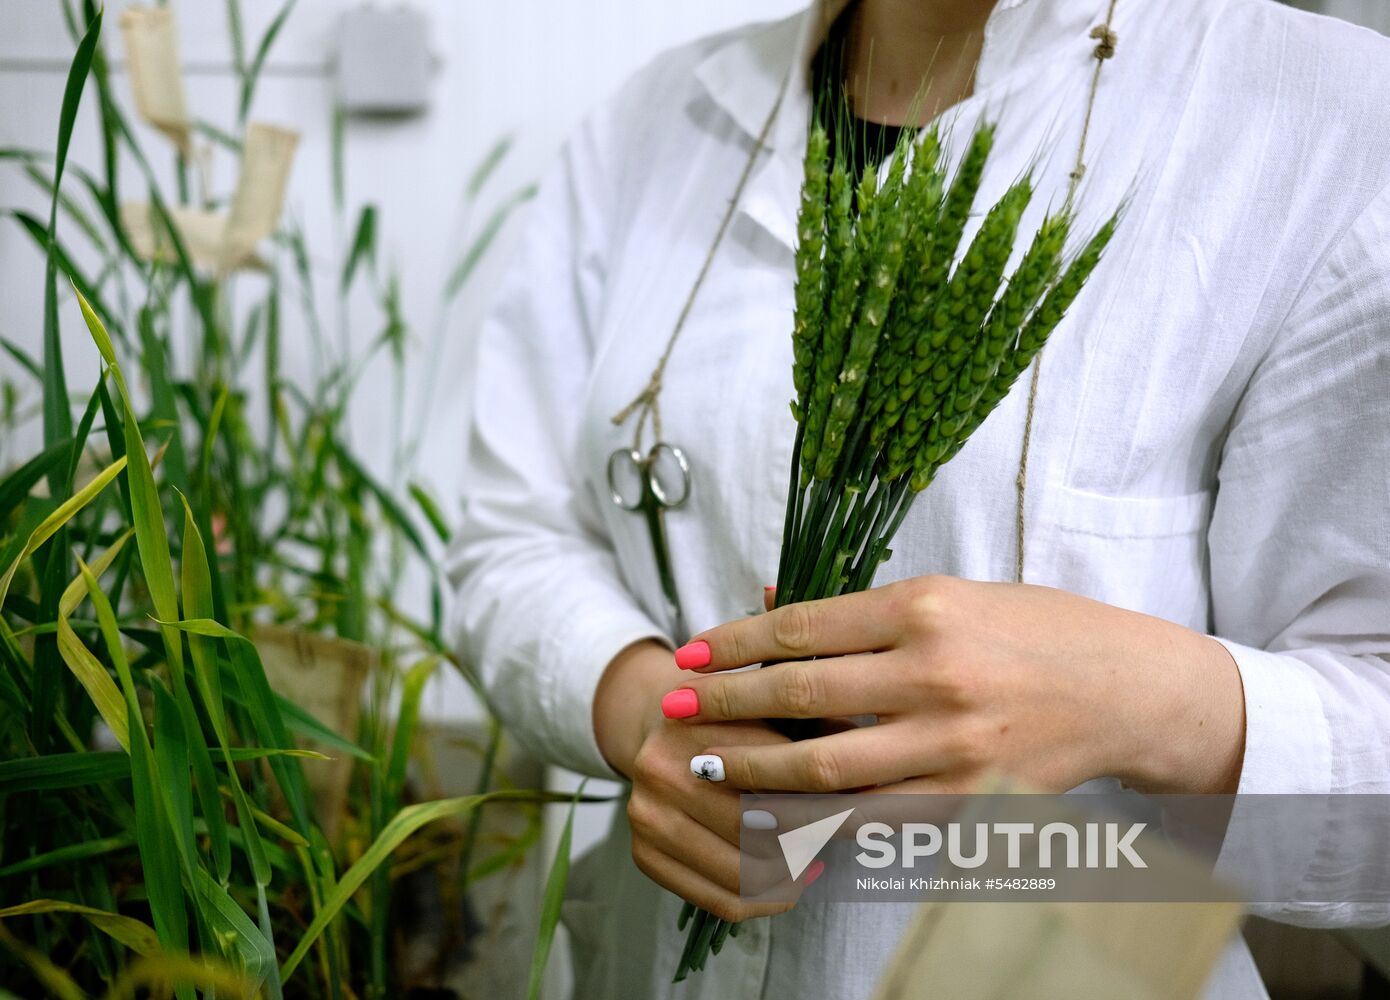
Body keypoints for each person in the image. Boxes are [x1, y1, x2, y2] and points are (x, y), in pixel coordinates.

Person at [445, 0, 1390, 996]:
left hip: (1069, 967)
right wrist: (642, 706)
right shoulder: (649, 121)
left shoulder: (1331, 118)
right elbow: (516, 535)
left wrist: (1153, 701)